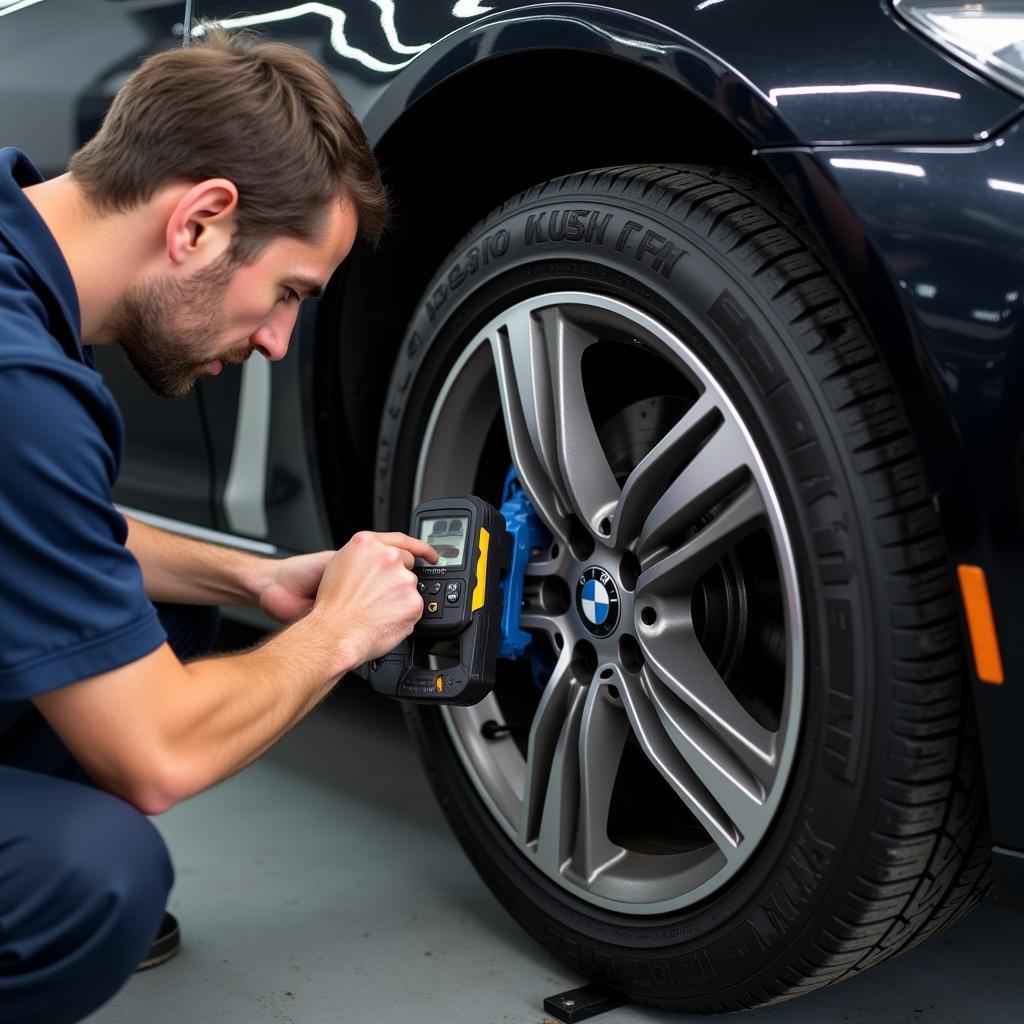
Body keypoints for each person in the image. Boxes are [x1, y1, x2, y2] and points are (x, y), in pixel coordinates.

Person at [0, 26, 435, 1024]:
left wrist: (256, 581)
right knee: (93, 874)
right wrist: (336, 636)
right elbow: (154, 757)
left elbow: (40, 526)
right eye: (286, 292)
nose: (280, 342)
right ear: (198, 222)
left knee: (169, 613)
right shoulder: (18, 384)